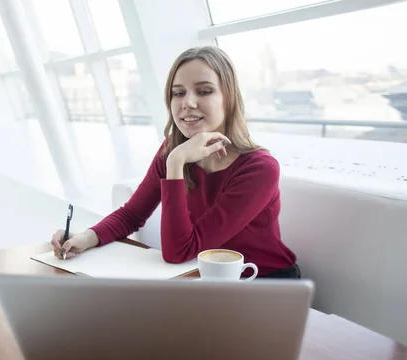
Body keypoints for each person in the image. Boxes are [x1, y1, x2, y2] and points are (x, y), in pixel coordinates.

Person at [50, 46, 300, 279]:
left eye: (204, 91)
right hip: (204, 280)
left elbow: (179, 251)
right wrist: (84, 238)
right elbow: (132, 214)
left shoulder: (259, 169)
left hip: (265, 282)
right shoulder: (172, 150)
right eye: (178, 93)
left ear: (229, 98)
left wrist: (176, 162)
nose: (187, 103)